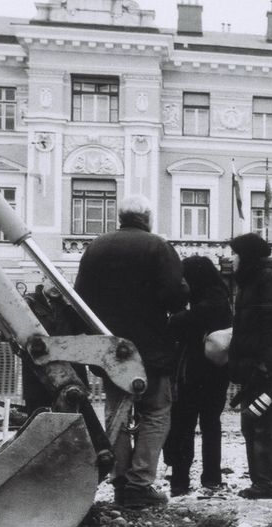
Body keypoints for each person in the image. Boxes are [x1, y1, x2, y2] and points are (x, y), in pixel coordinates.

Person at [74, 194, 186, 509]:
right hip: (151, 347)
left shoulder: (96, 247)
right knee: (155, 412)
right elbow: (175, 297)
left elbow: (80, 296)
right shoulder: (158, 246)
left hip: (112, 348)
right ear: (147, 217)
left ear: (120, 217)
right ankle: (140, 483)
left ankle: (120, 481)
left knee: (116, 412)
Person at [226, 232, 272, 499]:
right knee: (251, 424)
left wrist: (268, 366)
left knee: (263, 425)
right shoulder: (251, 280)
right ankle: (260, 481)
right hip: (253, 365)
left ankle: (267, 484)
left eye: (234, 253)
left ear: (247, 255)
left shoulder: (267, 278)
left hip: (265, 368)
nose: (230, 259)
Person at [164, 256, 234, 496]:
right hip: (216, 373)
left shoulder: (209, 300)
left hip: (195, 374)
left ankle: (181, 481)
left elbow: (183, 324)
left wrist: (174, 318)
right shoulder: (220, 297)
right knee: (210, 425)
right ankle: (211, 478)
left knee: (185, 425)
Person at [19, 283, 89, 411]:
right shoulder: (29, 302)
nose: (57, 287)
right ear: (44, 279)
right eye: (53, 282)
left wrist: (69, 305)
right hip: (39, 372)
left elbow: (83, 328)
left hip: (71, 372)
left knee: (76, 416)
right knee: (39, 415)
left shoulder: (68, 306)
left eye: (62, 283)